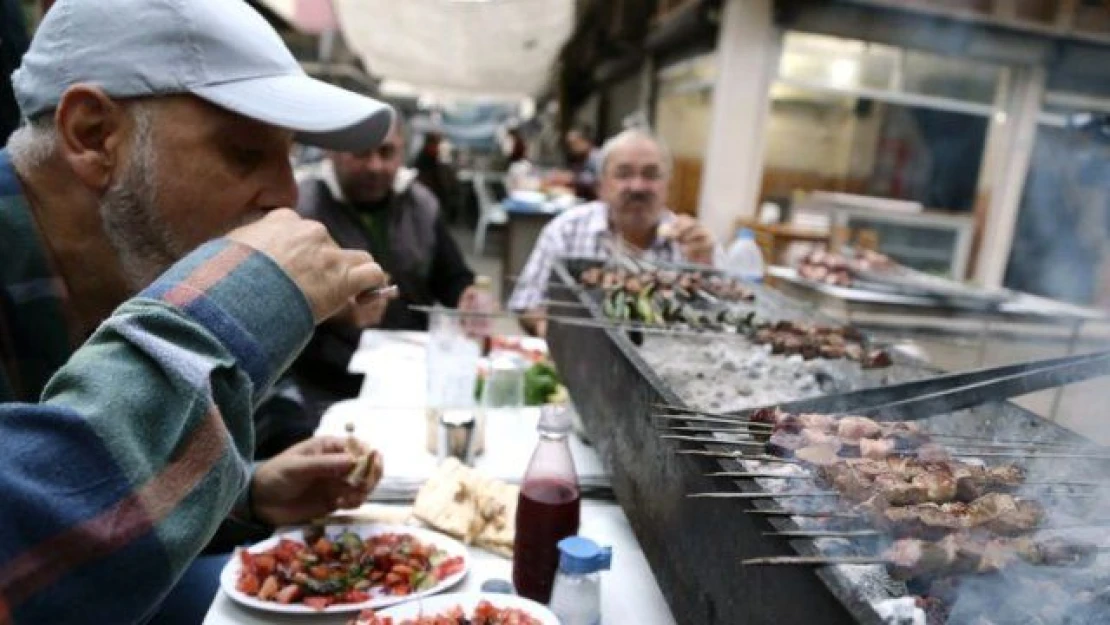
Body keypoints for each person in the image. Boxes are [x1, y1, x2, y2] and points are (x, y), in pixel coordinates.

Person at [0, 0, 395, 622]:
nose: (288, 195)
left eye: (290, 154)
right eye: (243, 153)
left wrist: (249, 492)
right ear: (93, 135)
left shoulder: (101, 265)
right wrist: (243, 306)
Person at [295, 119, 488, 405]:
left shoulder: (421, 205)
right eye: (360, 154)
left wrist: (468, 296)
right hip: (326, 384)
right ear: (331, 153)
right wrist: (336, 310)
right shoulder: (302, 210)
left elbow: (451, 276)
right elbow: (279, 303)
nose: (375, 166)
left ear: (402, 151)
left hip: (411, 370)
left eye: (387, 153)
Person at [509, 129, 719, 337]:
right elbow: (527, 302)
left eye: (651, 174)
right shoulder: (566, 230)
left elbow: (720, 328)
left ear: (668, 184)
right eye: (623, 174)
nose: (637, 186)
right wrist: (552, 332)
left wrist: (704, 269)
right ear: (601, 184)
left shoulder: (692, 243)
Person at [564, 124, 602, 200]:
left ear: (586, 141)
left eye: (575, 143)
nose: (572, 148)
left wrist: (572, 178)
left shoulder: (597, 157)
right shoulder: (582, 158)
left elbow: (596, 180)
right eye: (569, 145)